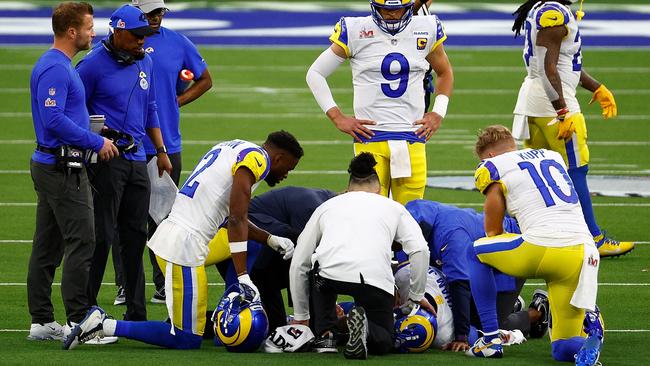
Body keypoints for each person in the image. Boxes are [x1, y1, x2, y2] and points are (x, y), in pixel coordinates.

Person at [63, 131, 304, 350]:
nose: (286, 175)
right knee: (185, 337)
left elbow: (228, 215)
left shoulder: (233, 146)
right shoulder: (258, 160)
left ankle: (225, 321)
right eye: (289, 168)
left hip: (178, 235)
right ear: (280, 157)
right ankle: (102, 324)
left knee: (250, 245)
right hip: (183, 246)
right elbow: (236, 219)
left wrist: (269, 239)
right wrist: (243, 277)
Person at [466, 125, 603, 366]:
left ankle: (489, 340)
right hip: (584, 252)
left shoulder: (494, 167)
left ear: (488, 156)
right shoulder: (551, 156)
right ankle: (590, 340)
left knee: (476, 251)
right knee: (562, 348)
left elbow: (493, 231)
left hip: (543, 245)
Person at [511, 0, 634, 258]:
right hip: (553, 105)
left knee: (540, 173)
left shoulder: (547, 8)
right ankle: (594, 237)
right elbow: (548, 70)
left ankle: (538, 232)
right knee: (576, 170)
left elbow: (566, 64)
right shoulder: (553, 14)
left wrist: (596, 87)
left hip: (538, 103)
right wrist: (562, 110)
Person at [26, 1, 119, 341]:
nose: (93, 32)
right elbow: (53, 120)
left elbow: (63, 116)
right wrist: (96, 143)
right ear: (71, 31)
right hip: (60, 168)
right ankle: (81, 322)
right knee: (83, 240)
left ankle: (41, 322)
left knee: (48, 245)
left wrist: (94, 132)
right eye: (89, 26)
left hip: (53, 164)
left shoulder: (59, 65)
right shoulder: (55, 68)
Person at [76, 4, 173, 322]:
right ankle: (85, 309)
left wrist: (160, 150)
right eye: (136, 35)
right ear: (117, 32)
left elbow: (152, 108)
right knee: (102, 236)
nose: (143, 41)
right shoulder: (91, 66)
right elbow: (74, 110)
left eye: (145, 35)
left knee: (135, 237)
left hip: (138, 159)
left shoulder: (144, 62)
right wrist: (95, 139)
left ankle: (137, 313)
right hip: (107, 160)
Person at [306, 0, 453, 204]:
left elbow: (444, 72)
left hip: (412, 136)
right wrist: (337, 117)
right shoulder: (356, 29)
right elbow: (315, 73)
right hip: (371, 138)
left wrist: (438, 112)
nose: (392, 15)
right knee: (370, 214)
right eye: (387, 9)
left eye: (398, 9)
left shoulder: (426, 28)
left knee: (410, 217)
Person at [289, 153, 432, 359]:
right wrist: (416, 297)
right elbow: (420, 250)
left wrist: (302, 317)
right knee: (384, 340)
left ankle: (326, 334)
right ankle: (367, 330)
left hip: (328, 278)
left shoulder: (327, 206)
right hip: (373, 280)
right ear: (380, 189)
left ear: (348, 188)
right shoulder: (394, 207)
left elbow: (299, 262)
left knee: (316, 267)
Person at [131, 0, 213, 304]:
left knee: (164, 216)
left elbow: (205, 79)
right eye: (149, 12)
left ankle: (161, 282)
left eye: (159, 12)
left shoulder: (178, 43)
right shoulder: (121, 44)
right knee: (125, 218)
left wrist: (177, 102)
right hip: (128, 145)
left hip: (167, 144)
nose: (155, 18)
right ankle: (128, 283)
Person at [401, 199, 547, 352]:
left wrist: (461, 337)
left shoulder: (450, 235)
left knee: (489, 326)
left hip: (509, 257)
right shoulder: (410, 217)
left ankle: (538, 312)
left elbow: (460, 285)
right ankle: (509, 302)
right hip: (480, 263)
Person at [213, 186, 338, 332]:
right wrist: (309, 314)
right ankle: (315, 323)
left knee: (273, 327)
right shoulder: (311, 208)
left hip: (260, 258)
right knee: (301, 248)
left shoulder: (327, 201)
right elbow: (303, 261)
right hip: (244, 252)